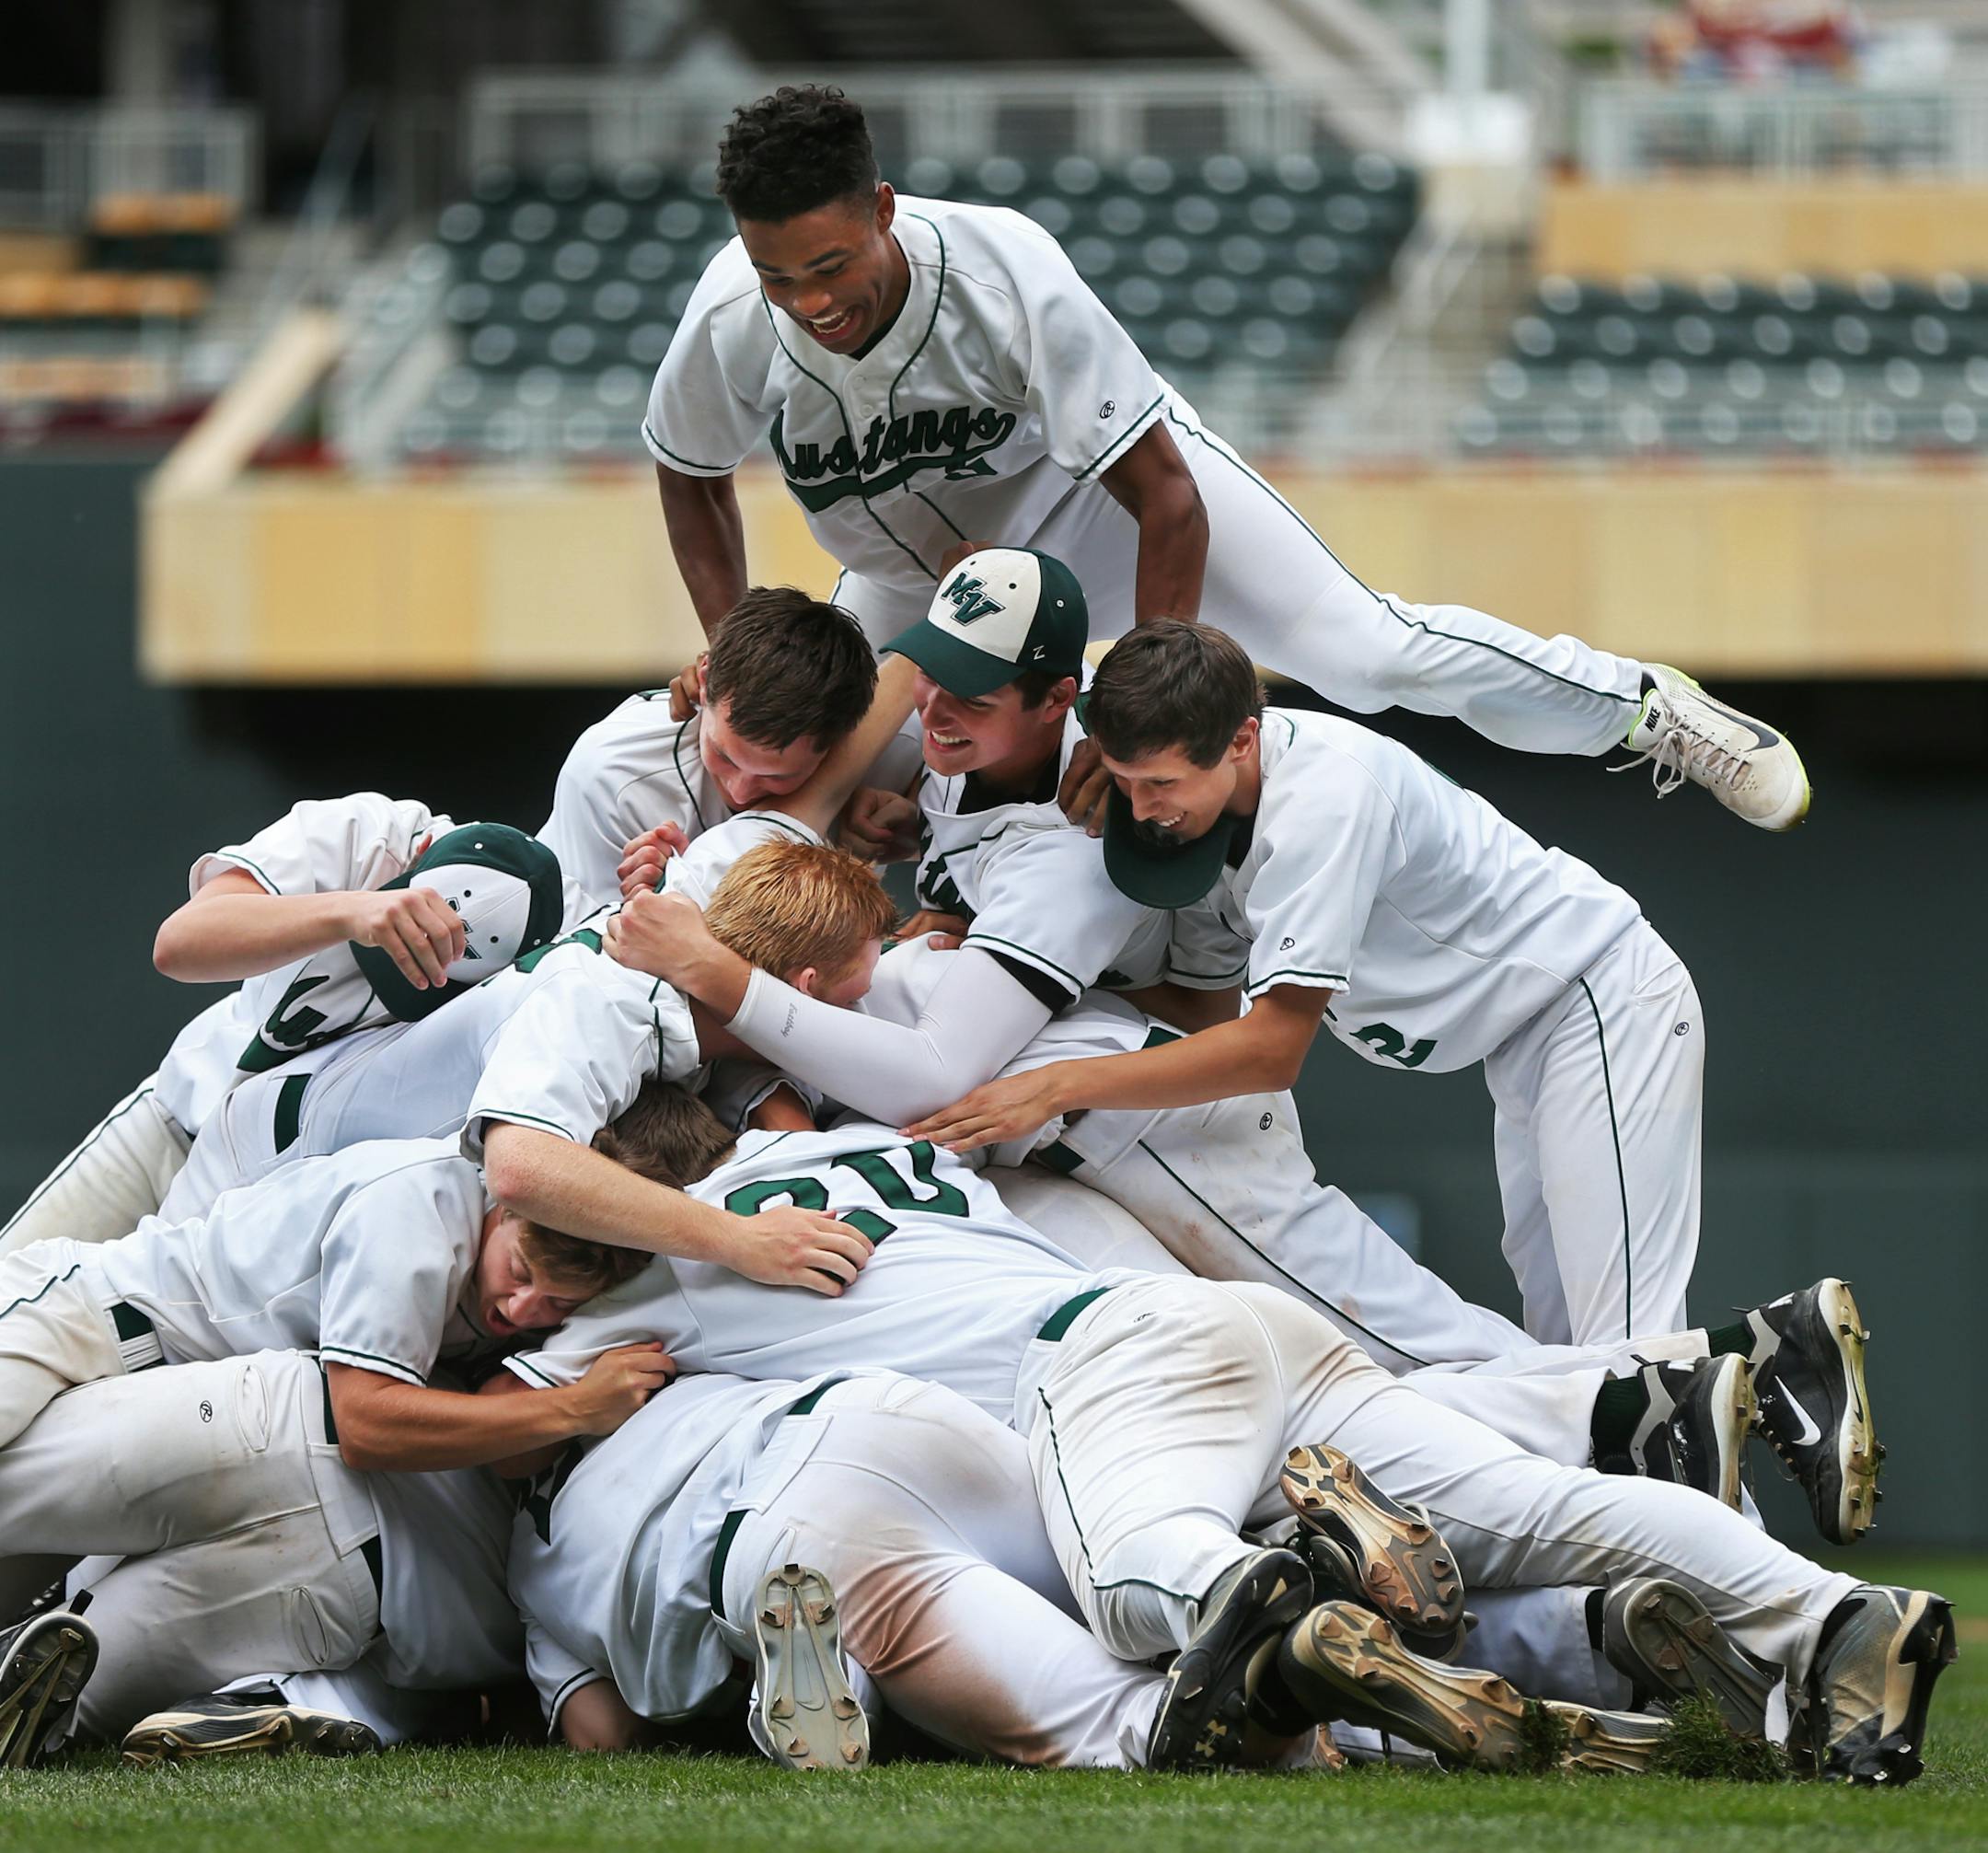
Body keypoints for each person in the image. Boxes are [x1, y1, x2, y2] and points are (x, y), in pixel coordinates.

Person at [499, 1085, 1952, 1786]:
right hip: (1241, 1333)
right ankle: (1843, 1623)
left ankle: (1326, 1568)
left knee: (1147, 1596)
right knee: (1543, 1504)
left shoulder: (662, 1276)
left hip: (1115, 1372)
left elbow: (518, 1353)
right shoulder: (861, 1146)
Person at [645, 84, 1807, 831]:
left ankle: (1642, 711)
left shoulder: (1003, 274)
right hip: (919, 584)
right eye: (780, 274)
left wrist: (1131, 708)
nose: (812, 299)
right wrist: (727, 643)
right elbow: (690, 475)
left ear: (885, 210)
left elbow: (1165, 496)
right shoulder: (729, 318)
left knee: (1364, 653)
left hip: (1093, 506)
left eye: (832, 263)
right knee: (811, 777)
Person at [909, 620, 1715, 1360]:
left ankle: (1782, 1398)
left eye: (1160, 783)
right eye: (1123, 779)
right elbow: (1198, 1015)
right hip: (1524, 1043)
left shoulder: (1323, 793)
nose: (1141, 809)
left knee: (1629, 1353)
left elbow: (1269, 1049)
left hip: (1595, 1001)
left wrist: (1054, 1085)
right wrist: (989, 969)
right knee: (1570, 1354)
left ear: (1241, 739)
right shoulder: (1196, 815)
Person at [0, 801, 556, 1258]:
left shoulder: (522, 985)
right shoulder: (371, 834)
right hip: (176, 1119)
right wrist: (353, 910)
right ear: (420, 856)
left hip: (257, 1206)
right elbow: (178, 946)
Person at [538, 584, 891, 918]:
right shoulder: (615, 774)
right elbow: (588, 954)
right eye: (724, 756)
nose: (740, 790)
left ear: (840, 740)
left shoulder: (874, 753)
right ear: (705, 682)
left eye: (775, 776)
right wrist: (686, 892)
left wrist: (907, 838)